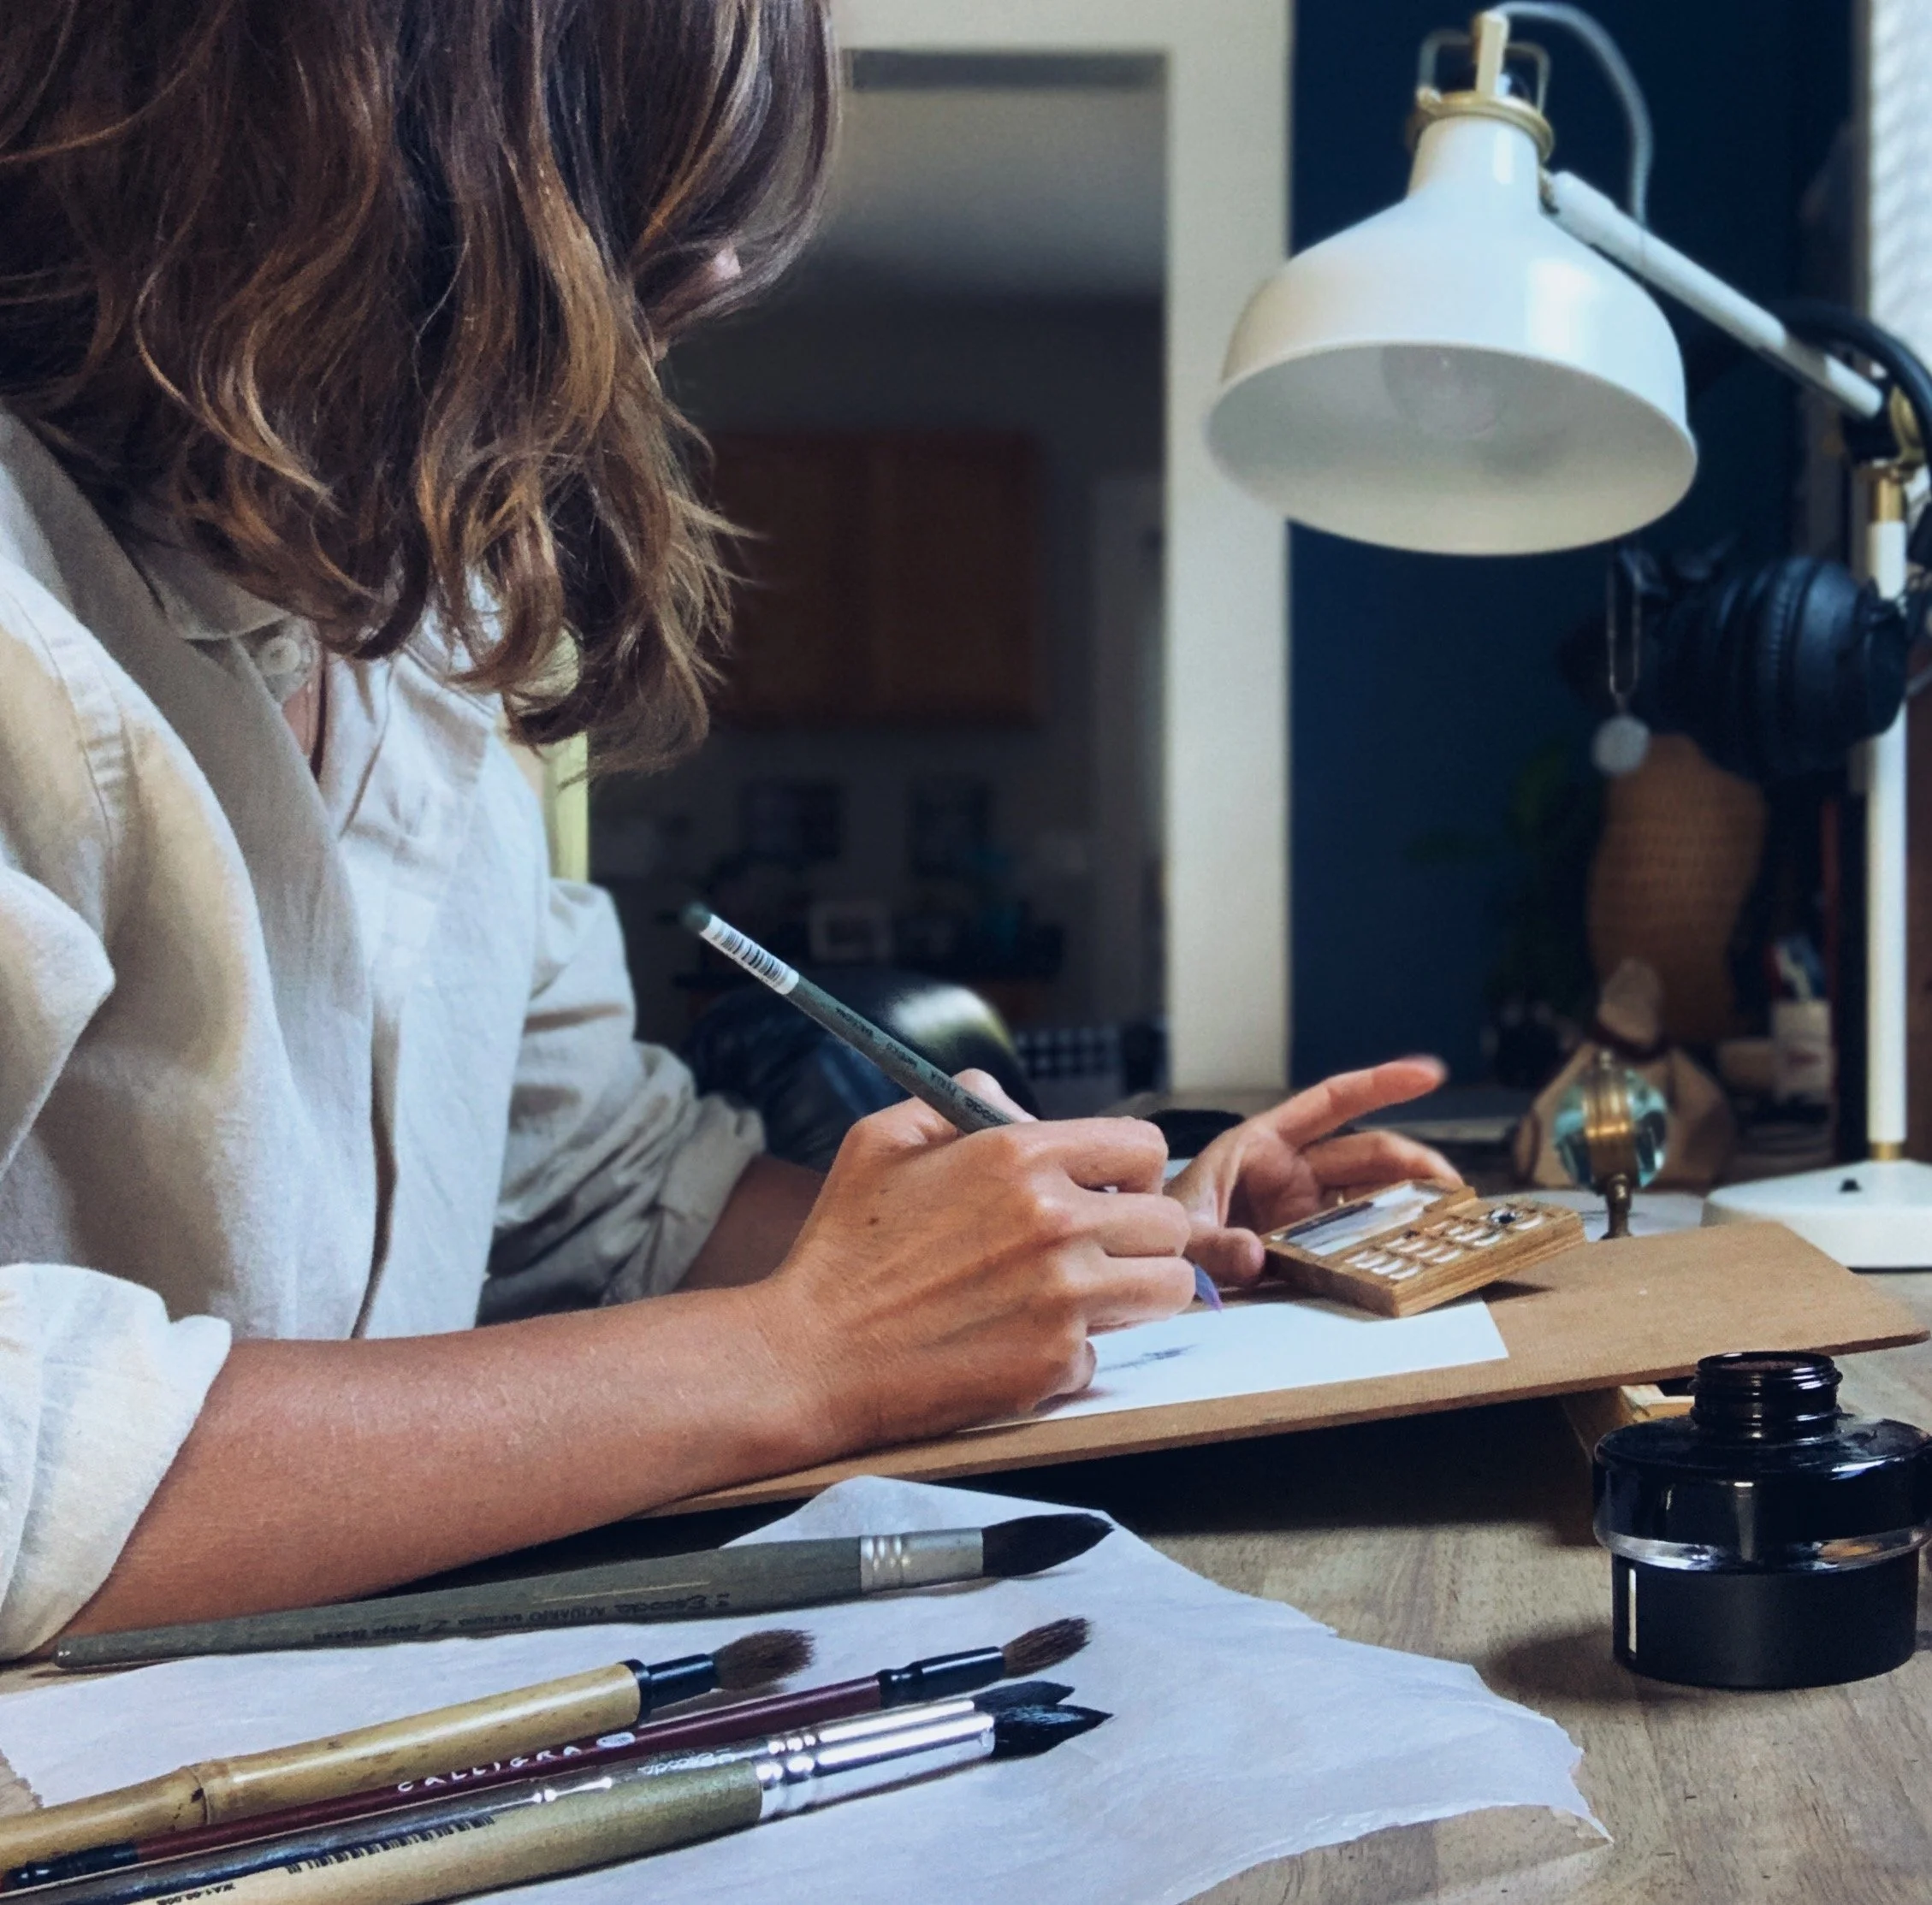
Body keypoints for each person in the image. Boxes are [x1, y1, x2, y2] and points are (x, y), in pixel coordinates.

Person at [0, 0, 1453, 1659]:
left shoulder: (424, 625)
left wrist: (1074, 1241)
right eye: (630, 230)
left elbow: (588, 1187)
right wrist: (801, 1355)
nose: (673, 318)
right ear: (351, 165)